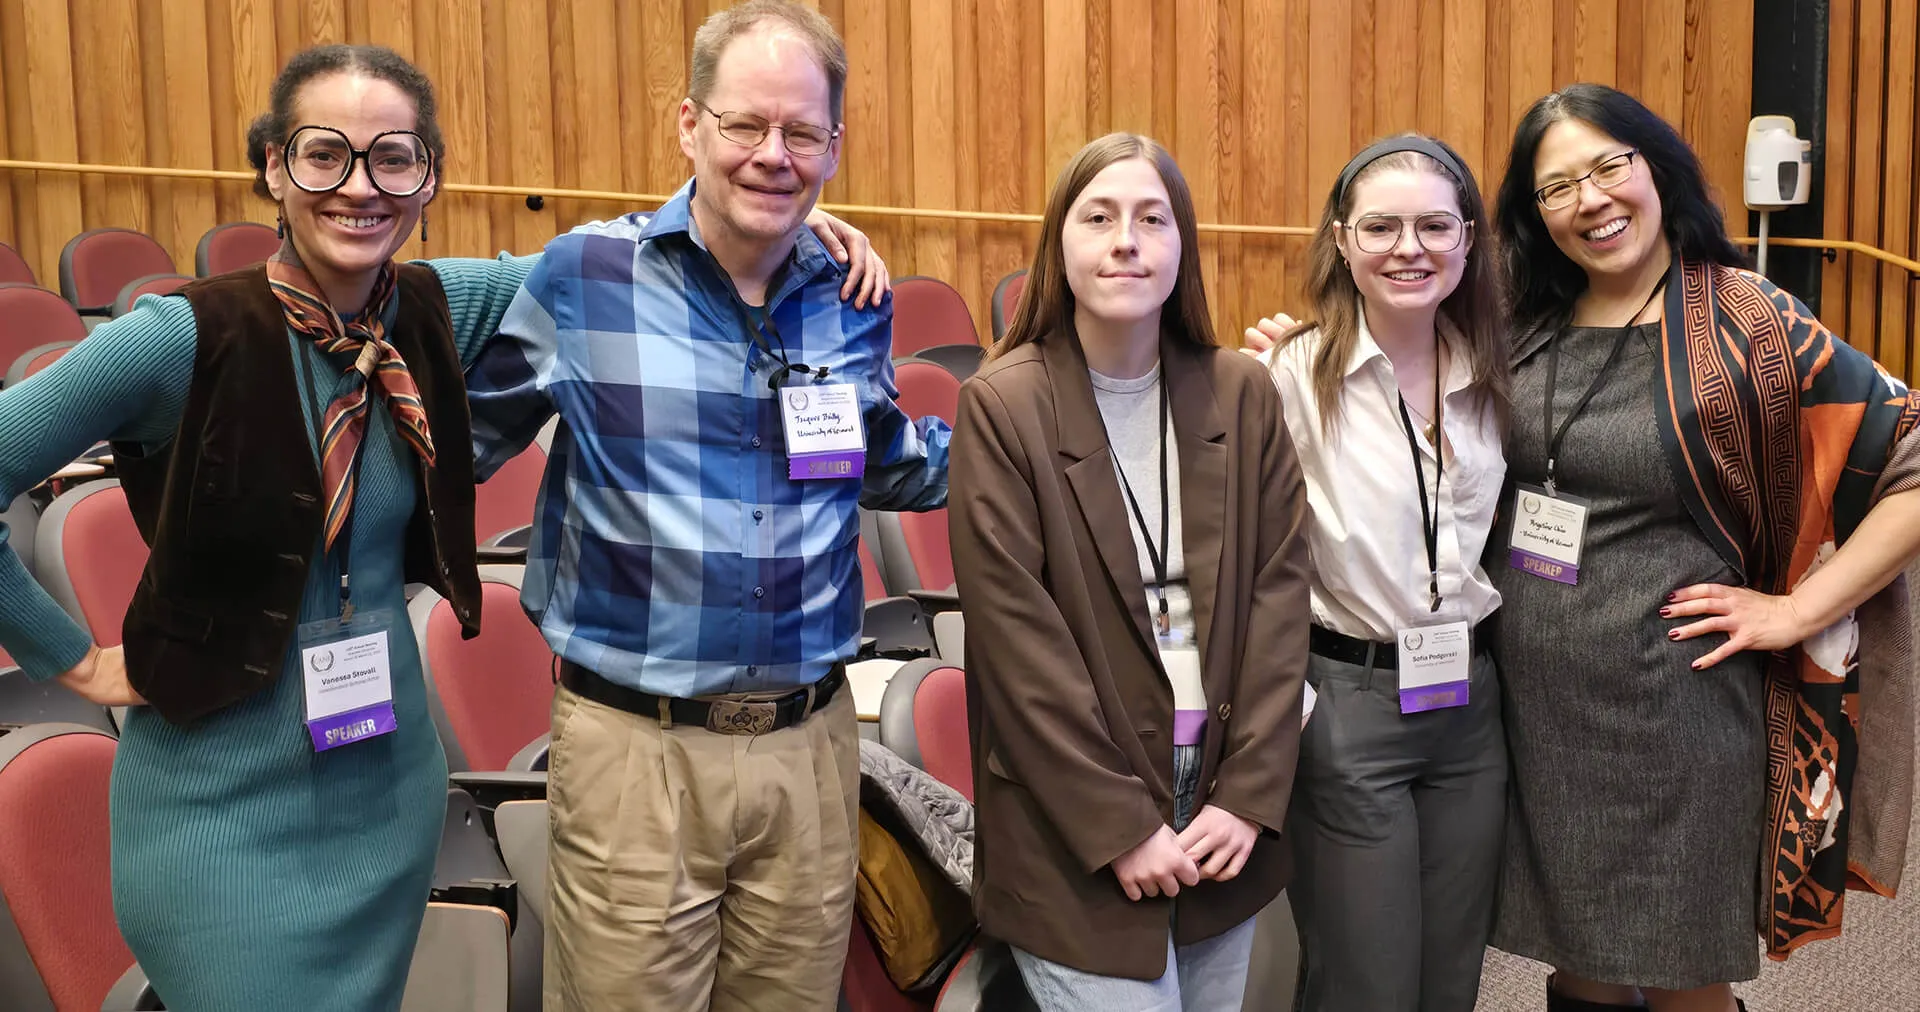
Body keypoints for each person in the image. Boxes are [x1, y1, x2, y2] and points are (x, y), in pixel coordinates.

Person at [0, 44, 524, 1010]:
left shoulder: (439, 307)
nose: (359, 187)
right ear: (275, 169)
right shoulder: (179, 336)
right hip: (219, 816)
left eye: (393, 157)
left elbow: (627, 254)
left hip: (387, 788)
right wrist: (70, 661)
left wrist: (805, 224)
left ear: (429, 180)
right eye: (324, 154)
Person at [461, 2, 947, 1009]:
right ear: (690, 125)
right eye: (744, 126)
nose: (773, 155)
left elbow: (885, 459)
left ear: (834, 147)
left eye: (801, 133)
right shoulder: (585, 275)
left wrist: (1076, 431)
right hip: (638, 748)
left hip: (810, 750)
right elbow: (454, 448)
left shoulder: (850, 296)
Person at [1484, 83, 1920, 1012]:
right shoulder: (1519, 320)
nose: (1591, 199)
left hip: (1676, 715)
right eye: (1557, 186)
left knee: (1685, 970)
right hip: (1539, 711)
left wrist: (1804, 607)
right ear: (1535, 214)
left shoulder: (1745, 320)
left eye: (1610, 166)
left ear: (1656, 169)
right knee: (1579, 961)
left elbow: (1911, 450)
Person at [948, 131, 1309, 1011]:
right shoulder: (1002, 405)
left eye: (1153, 219)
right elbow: (1017, 646)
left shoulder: (1241, 393)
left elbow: (1278, 597)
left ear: (1182, 246)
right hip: (1079, 830)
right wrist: (1119, 829)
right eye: (1098, 216)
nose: (1126, 240)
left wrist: (1250, 798)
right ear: (1058, 244)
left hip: (1219, 809)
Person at [1257, 134, 1510, 1012]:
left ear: (1468, 240)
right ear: (1341, 241)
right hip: (1350, 705)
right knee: (1365, 982)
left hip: (1471, 706)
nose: (1411, 249)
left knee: (1450, 980)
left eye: (1435, 226)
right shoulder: (1288, 376)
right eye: (1383, 228)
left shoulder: (1497, 368)